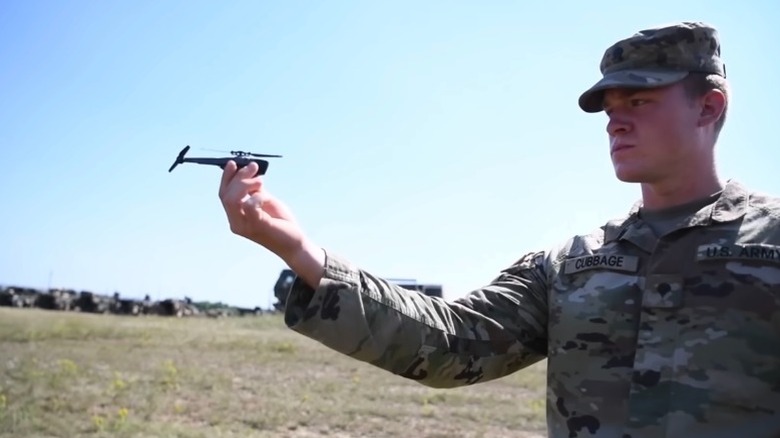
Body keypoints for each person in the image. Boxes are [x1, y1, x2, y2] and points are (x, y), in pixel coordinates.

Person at [218, 21, 780, 438]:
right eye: (609, 108)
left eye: (639, 100)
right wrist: (301, 252)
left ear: (708, 106)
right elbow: (453, 342)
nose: (616, 121)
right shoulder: (572, 263)